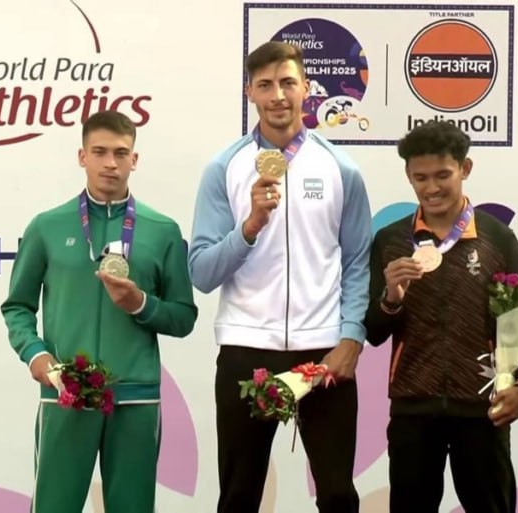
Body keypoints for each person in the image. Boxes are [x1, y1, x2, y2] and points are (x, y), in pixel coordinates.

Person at [188, 41, 372, 513]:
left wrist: (351, 338)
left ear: (307, 89)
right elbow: (202, 272)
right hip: (247, 348)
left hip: (322, 351)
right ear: (249, 91)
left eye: (288, 83)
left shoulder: (341, 169)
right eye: (265, 85)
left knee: (337, 495)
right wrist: (249, 227)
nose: (277, 96)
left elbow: (357, 262)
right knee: (239, 496)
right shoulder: (223, 168)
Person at [0, 110, 198, 513]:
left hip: (136, 399)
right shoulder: (46, 226)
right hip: (66, 393)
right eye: (100, 152)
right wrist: (36, 356)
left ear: (134, 160)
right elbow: (17, 306)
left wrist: (140, 304)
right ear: (82, 156)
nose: (111, 163)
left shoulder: (162, 230)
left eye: (121, 153)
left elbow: (183, 317)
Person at [363, 120, 518, 513]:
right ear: (408, 176)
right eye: (420, 178)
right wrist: (391, 297)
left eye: (442, 175)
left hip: (482, 406)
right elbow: (374, 332)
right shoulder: (391, 240)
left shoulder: (498, 237)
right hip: (413, 406)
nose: (432, 187)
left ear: (465, 168)